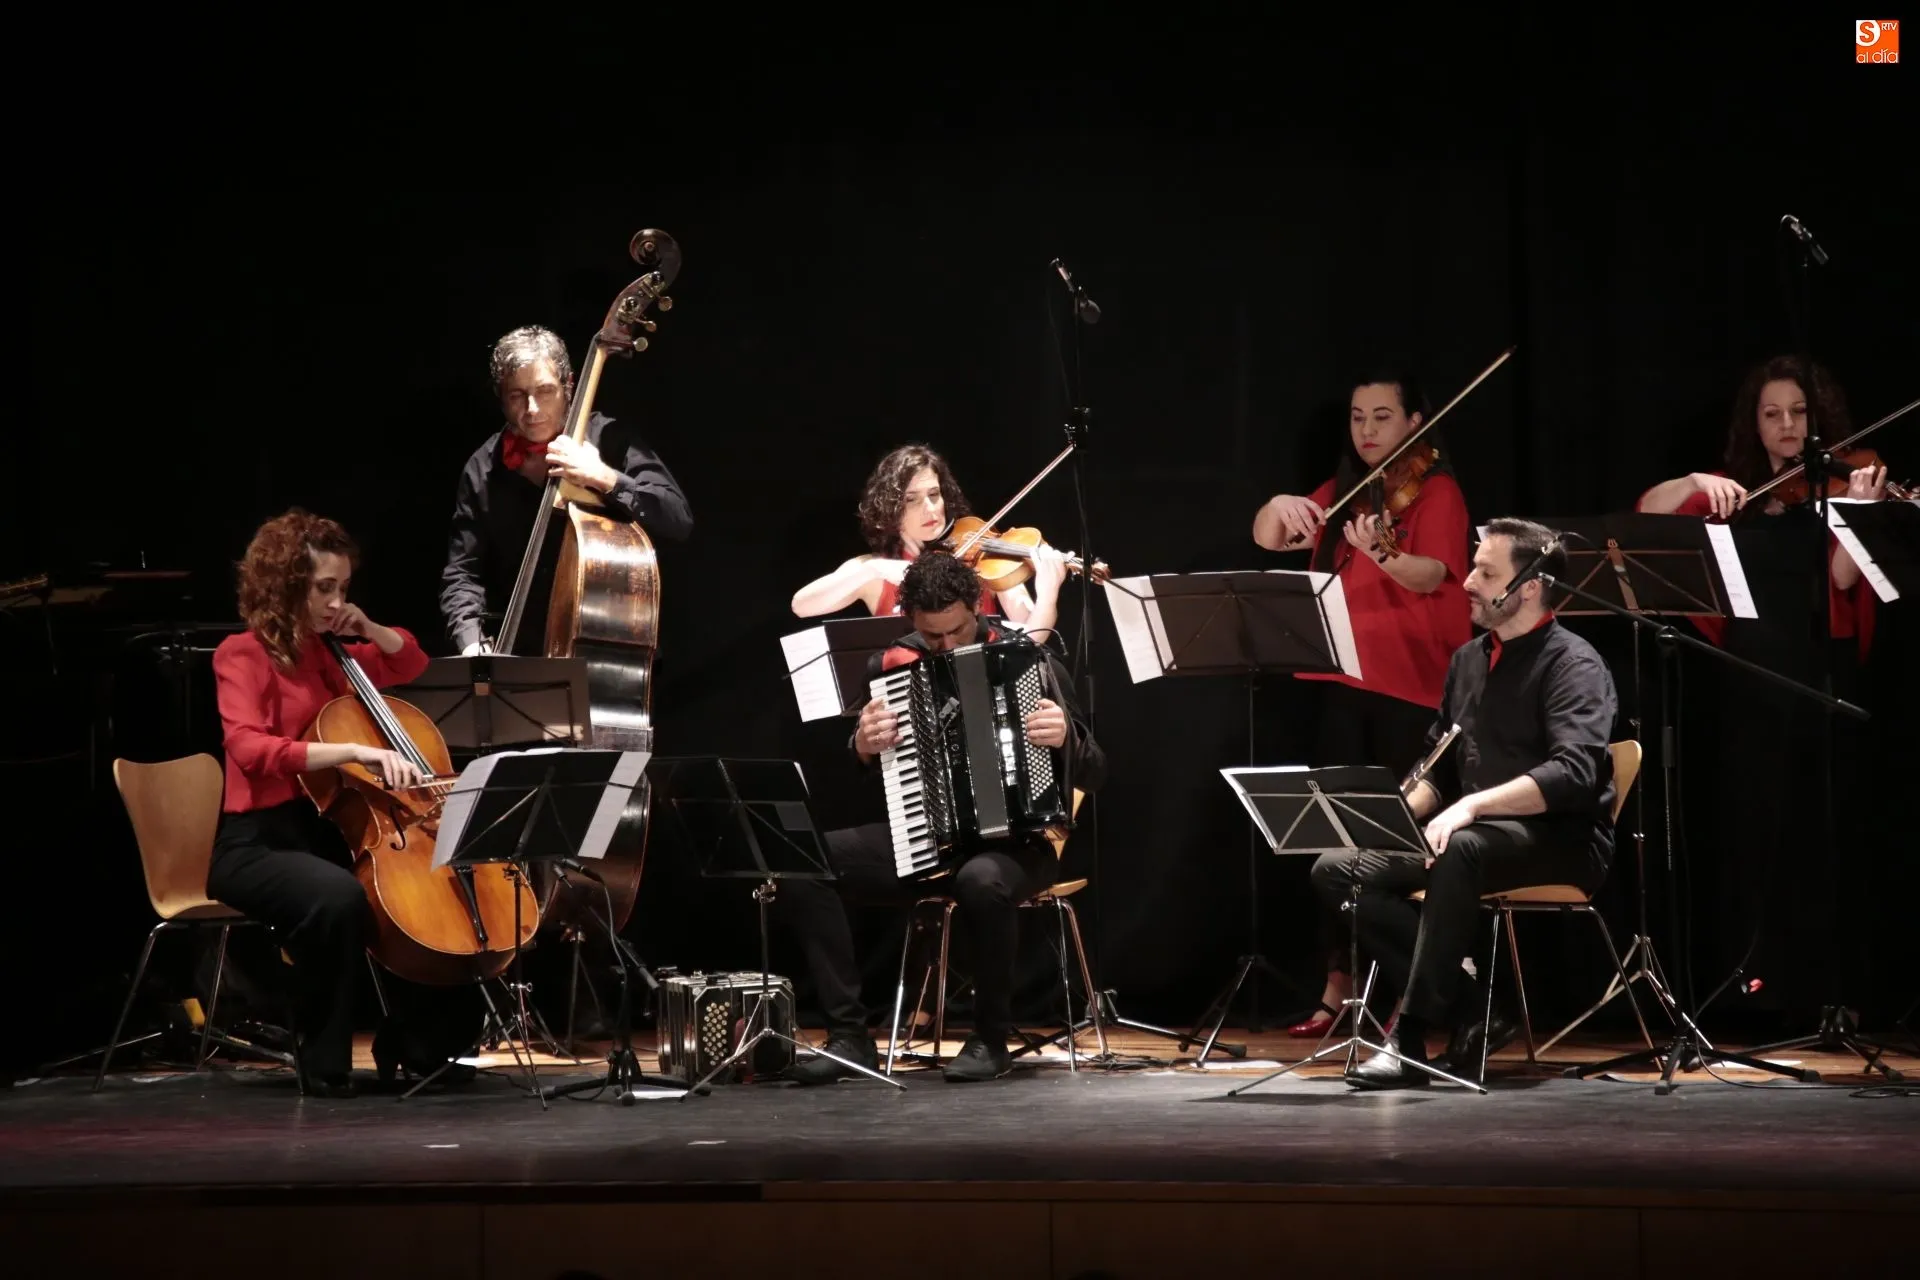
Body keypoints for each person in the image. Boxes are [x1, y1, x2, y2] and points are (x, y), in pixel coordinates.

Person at [1309, 518, 1620, 1089]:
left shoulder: (1574, 664)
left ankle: (1408, 1038)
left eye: (1485, 571)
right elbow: (1441, 766)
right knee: (1337, 869)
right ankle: (1477, 1007)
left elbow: (1572, 772)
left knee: (1463, 850)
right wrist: (1394, 814)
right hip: (1471, 835)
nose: (1469, 581)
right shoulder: (1469, 661)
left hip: (1563, 838)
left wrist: (1470, 807)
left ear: (1529, 585)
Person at [775, 551, 1106, 1084]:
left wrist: (1067, 738)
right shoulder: (893, 665)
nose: (945, 647)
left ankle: (990, 1038)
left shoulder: (1032, 661)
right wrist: (861, 746)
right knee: (805, 861)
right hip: (925, 836)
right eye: (932, 637)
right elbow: (859, 778)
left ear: (976, 607)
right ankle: (849, 1036)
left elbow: (1096, 772)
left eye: (955, 632)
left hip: (1020, 846)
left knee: (981, 880)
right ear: (911, 621)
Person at [1635, 355, 1887, 1025]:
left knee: (1818, 833)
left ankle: (1824, 995)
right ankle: (1756, 994)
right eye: (1771, 414)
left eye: (1798, 414)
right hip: (1749, 681)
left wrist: (1860, 513)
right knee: (1750, 833)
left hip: (1818, 674)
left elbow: (1838, 583)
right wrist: (1694, 480)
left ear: (1818, 419)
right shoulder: (1735, 491)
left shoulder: (1836, 484)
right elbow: (1648, 513)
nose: (1785, 425)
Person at [211, 509, 479, 1097]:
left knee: (422, 893)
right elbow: (248, 747)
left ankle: (418, 1045)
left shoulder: (337, 653)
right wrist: (350, 751)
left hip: (326, 831)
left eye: (343, 589)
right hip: (257, 840)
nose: (335, 602)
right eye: (323, 589)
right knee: (338, 898)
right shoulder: (243, 653)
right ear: (285, 585)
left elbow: (412, 661)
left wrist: (369, 625)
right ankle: (324, 1060)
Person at [1251, 371, 1473, 1036]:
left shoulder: (1437, 491)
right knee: (1333, 841)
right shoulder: (1348, 491)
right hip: (1342, 685)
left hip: (1414, 692)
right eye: (1357, 417)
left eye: (1382, 416)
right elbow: (1268, 535)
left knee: (1397, 852)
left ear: (1413, 423)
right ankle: (1338, 985)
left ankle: (1412, 989)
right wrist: (1283, 503)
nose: (1368, 430)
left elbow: (1432, 572)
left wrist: (1381, 550)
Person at [441, 325, 693, 656]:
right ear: (500, 397)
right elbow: (463, 572)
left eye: (545, 391)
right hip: (518, 655)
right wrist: (470, 641)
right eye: (517, 395)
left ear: (568, 386)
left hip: (607, 654)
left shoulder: (610, 440)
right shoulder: (481, 469)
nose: (531, 409)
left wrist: (605, 477)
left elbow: (677, 518)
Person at [791, 443, 1067, 641]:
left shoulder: (982, 559)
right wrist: (873, 570)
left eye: (934, 495)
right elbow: (801, 605)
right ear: (891, 508)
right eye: (912, 499)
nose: (930, 508)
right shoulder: (874, 571)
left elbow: (1032, 638)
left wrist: (1048, 594)